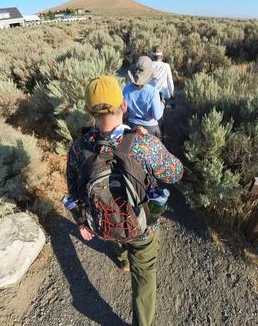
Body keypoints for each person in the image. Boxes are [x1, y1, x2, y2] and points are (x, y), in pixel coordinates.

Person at [65, 75, 183, 326]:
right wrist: (151, 142)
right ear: (124, 105)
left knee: (114, 227)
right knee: (145, 279)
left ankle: (122, 261)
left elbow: (73, 191)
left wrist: (82, 223)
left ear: (89, 112)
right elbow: (175, 173)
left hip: (104, 224)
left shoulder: (78, 149)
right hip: (142, 229)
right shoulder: (144, 144)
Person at [123, 56, 164, 138]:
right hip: (151, 129)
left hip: (133, 126)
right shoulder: (153, 92)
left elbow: (124, 110)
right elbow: (157, 116)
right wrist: (162, 104)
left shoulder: (126, 89)